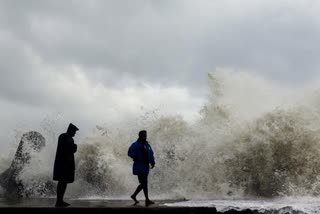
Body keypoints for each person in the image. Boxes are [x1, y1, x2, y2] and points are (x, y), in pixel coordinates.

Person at [53, 123, 79, 207]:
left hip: (64, 163)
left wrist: (73, 146)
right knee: (62, 182)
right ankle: (59, 202)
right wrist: (75, 146)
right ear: (71, 130)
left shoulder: (64, 137)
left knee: (63, 183)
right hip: (64, 164)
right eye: (74, 131)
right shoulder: (66, 137)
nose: (75, 133)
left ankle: (60, 201)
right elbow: (69, 149)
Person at [128, 130, 155, 207]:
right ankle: (145, 199)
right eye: (143, 135)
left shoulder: (147, 145)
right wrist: (135, 156)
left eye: (145, 135)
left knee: (144, 183)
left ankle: (137, 196)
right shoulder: (135, 144)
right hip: (139, 166)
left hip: (146, 166)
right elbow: (129, 152)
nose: (145, 136)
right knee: (144, 183)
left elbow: (151, 153)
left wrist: (152, 162)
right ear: (140, 136)